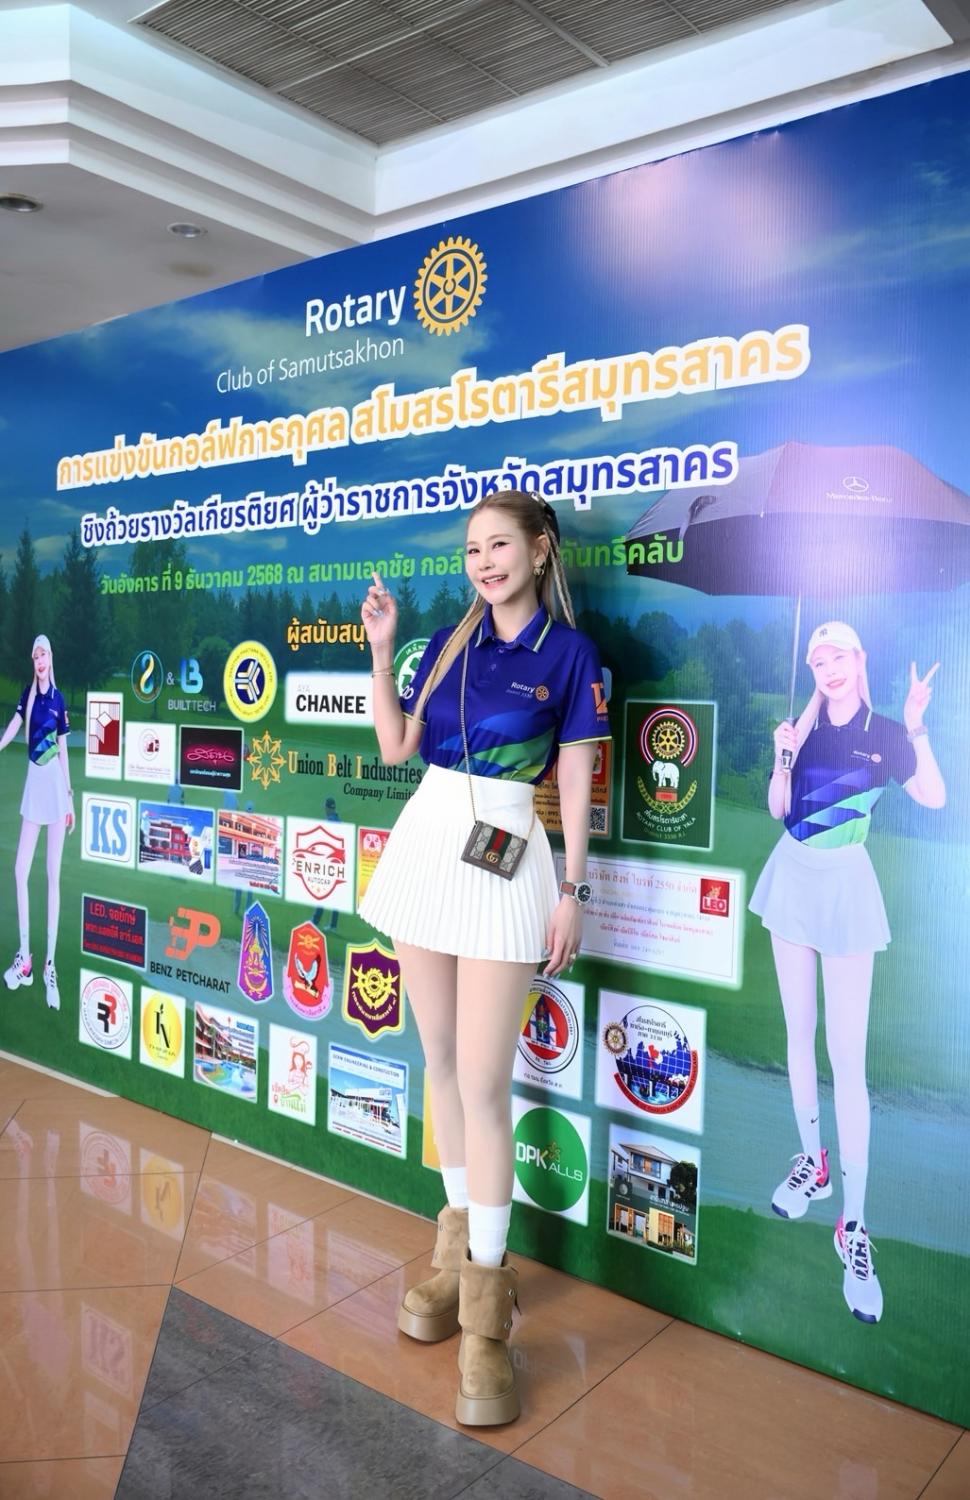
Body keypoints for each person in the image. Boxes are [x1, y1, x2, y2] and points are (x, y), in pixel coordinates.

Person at [359, 490, 607, 1426]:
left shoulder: (571, 656)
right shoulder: (445, 643)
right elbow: (397, 746)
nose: (485, 562)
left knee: (486, 1085)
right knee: (441, 1061)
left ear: (541, 552)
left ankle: (488, 1323)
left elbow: (575, 781)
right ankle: (456, 1258)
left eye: (499, 545)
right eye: (472, 549)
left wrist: (573, 889)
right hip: (426, 842)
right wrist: (383, 651)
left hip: (508, 856)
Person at [750, 622, 944, 1324]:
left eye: (838, 657)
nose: (828, 669)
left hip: (846, 889)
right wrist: (782, 760)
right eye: (817, 660)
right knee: (798, 1035)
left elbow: (934, 797)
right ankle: (813, 1163)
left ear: (860, 661)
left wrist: (917, 725)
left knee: (847, 1059)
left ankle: (853, 1225)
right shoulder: (799, 732)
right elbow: (778, 810)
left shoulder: (886, 732)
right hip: (792, 878)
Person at [0, 636, 74, 1010]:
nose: (39, 659)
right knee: (20, 871)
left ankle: (49, 966)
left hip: (56, 791)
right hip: (34, 787)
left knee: (52, 876)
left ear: (51, 657)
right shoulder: (27, 697)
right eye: (35, 655)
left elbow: (63, 750)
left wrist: (70, 798)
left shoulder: (59, 700)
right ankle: (25, 960)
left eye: (43, 653)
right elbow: (15, 726)